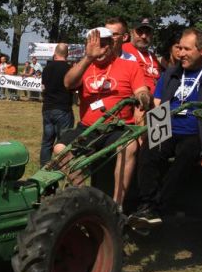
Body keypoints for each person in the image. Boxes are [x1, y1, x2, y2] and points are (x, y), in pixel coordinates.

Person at [130, 27, 202, 227]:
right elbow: (157, 106)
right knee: (149, 151)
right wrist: (148, 130)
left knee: (186, 154)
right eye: (180, 48)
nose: (181, 53)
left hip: (195, 133)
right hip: (166, 128)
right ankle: (146, 206)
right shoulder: (170, 74)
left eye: (187, 49)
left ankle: (158, 206)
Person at [54, 27, 151, 206]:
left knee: (128, 147)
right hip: (89, 127)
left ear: (112, 45)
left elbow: (142, 91)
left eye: (104, 45)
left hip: (118, 127)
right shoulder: (84, 66)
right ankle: (87, 199)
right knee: (60, 150)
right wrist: (89, 57)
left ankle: (116, 205)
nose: (100, 50)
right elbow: (68, 83)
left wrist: (142, 98)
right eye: (94, 45)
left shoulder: (129, 66)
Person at [39, 43, 74, 166]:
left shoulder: (46, 68)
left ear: (55, 54)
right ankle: (63, 166)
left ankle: (43, 168)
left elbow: (44, 87)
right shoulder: (69, 69)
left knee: (47, 142)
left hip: (47, 108)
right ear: (67, 54)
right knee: (63, 142)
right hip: (63, 108)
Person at [123, 18, 162, 91]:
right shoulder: (123, 51)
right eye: (139, 32)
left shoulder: (152, 56)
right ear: (131, 33)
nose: (144, 36)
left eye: (147, 32)